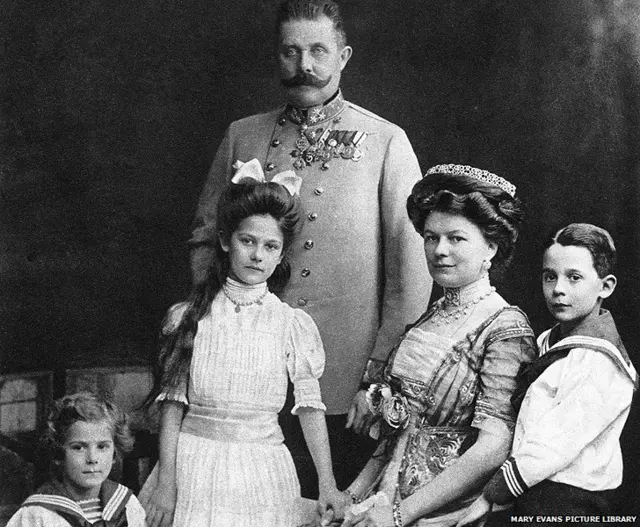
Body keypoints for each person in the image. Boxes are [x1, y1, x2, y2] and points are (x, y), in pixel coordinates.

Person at [188, 0, 431, 490]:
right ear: (277, 57)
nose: (305, 65)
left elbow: (411, 274)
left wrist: (379, 373)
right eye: (291, 52)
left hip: (343, 376)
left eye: (318, 50)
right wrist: (217, 319)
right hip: (247, 371)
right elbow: (202, 238)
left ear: (343, 56)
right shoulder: (243, 135)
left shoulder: (386, 140)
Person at [139, 160, 347, 527]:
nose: (257, 255)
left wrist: (327, 483)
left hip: (262, 472)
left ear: (282, 254)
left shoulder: (290, 324)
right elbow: (172, 408)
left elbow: (310, 410)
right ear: (224, 240)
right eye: (247, 241)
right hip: (193, 467)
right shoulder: (189, 317)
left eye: (270, 246)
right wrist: (167, 484)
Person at [336, 164, 538, 527]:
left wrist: (401, 516)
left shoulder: (505, 327)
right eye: (431, 237)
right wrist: (350, 495)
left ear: (490, 246)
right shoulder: (430, 317)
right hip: (386, 497)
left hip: (444, 510)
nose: (439, 250)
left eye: (456, 238)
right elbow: (400, 434)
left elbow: (493, 448)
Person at [457, 223, 638, 527]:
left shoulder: (599, 360)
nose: (558, 289)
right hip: (530, 487)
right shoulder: (548, 341)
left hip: (571, 500)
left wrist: (492, 495)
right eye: (550, 276)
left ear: (605, 287)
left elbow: (554, 444)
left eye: (574, 278)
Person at [7, 392, 147, 527]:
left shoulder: (128, 506)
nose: (92, 458)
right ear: (59, 453)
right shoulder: (36, 515)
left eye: (102, 446)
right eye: (79, 447)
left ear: (114, 453)